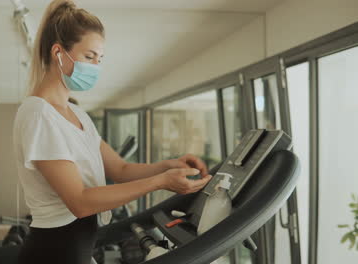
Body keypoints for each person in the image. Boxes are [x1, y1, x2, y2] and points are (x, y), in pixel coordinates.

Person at [12, 1, 212, 263]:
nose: (95, 66)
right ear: (58, 53)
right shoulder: (39, 115)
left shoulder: (77, 114)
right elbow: (79, 202)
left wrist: (168, 166)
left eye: (99, 59)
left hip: (77, 249)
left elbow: (120, 170)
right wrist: (161, 182)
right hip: (53, 252)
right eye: (89, 56)